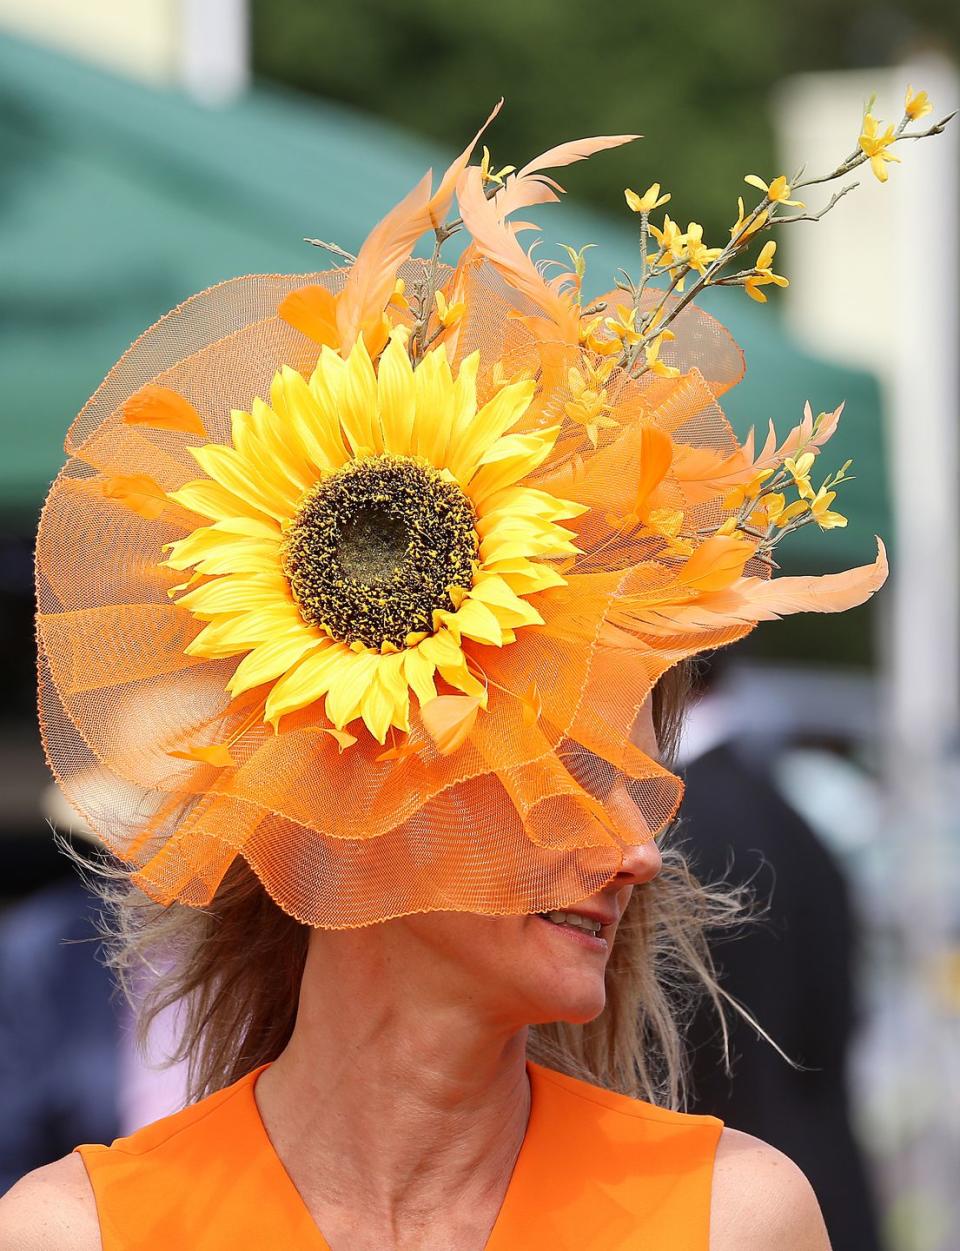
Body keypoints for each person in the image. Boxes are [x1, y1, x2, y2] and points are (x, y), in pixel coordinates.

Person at [2, 97, 926, 1248]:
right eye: (573, 768)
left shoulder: (729, 1220)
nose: (639, 847)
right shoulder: (79, 1234)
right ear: (359, 765)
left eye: (636, 775)